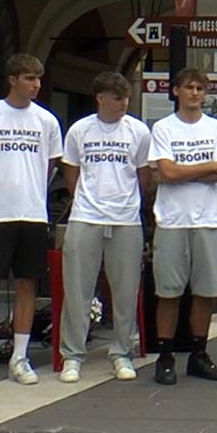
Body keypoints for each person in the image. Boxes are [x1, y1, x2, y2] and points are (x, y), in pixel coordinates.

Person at [0, 53, 64, 388]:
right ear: (12, 79)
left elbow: (51, 167)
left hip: (32, 213)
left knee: (27, 284)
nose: (35, 84)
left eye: (38, 78)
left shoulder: (47, 121)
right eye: (28, 78)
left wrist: (31, 192)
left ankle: (19, 356)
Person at [57, 72, 153, 383]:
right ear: (100, 98)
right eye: (117, 98)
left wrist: (132, 204)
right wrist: (85, 199)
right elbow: (70, 170)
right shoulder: (79, 130)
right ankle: (72, 354)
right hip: (86, 216)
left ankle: (121, 351)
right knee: (77, 288)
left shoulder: (138, 131)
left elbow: (143, 176)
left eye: (126, 97)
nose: (123, 103)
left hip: (125, 218)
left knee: (126, 290)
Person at [148, 66, 217, 386]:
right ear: (176, 92)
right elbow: (165, 174)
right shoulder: (164, 129)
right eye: (189, 88)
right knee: (168, 292)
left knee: (206, 291)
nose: (195, 93)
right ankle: (166, 355)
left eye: (200, 88)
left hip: (209, 219)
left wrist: (185, 170)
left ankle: (199, 353)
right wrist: (208, 166)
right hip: (172, 220)